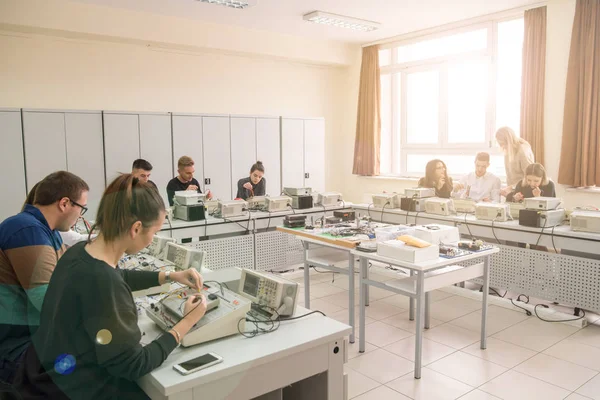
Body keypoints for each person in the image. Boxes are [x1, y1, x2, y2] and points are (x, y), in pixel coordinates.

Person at [10, 175, 208, 399]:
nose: (152, 240)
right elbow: (133, 364)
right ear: (135, 228)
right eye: (153, 233)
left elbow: (116, 274)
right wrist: (187, 322)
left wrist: (170, 275)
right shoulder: (104, 281)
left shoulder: (80, 253)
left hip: (42, 376)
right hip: (72, 391)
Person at [0, 171, 89, 384]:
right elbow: (51, 304)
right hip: (16, 346)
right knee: (101, 371)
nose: (81, 216)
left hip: (33, 336)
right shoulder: (26, 229)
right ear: (65, 203)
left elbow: (76, 271)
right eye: (82, 208)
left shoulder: (47, 231)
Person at [495, 127, 535, 197]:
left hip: (524, 191)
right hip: (514, 191)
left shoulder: (522, 151)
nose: (501, 146)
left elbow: (531, 177)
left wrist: (511, 187)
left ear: (508, 141)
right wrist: (508, 189)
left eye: (502, 143)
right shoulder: (508, 150)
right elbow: (510, 175)